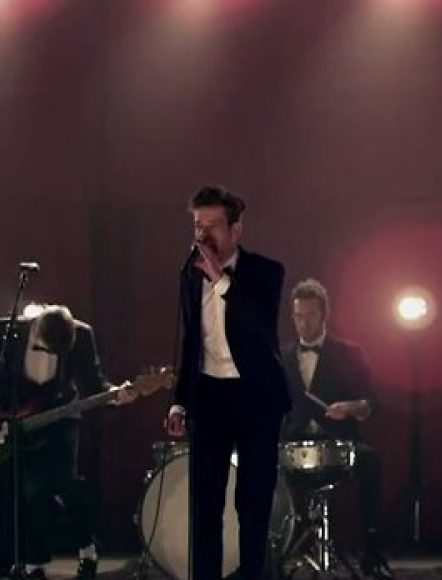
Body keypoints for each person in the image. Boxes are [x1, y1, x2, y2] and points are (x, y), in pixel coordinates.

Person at [165, 185, 290, 580]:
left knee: (252, 502)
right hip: (209, 395)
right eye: (197, 226)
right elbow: (191, 342)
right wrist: (179, 401)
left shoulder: (266, 271)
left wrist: (220, 280)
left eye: (213, 226)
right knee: (205, 502)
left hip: (256, 396)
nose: (203, 235)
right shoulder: (189, 277)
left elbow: (259, 327)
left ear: (236, 229)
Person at [0, 304, 136, 580]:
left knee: (65, 485)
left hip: (61, 417)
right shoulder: (7, 330)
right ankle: (34, 563)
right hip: (17, 418)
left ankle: (87, 549)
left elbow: (94, 383)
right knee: (32, 494)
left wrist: (117, 395)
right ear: (35, 329)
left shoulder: (82, 335)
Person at [280, 278, 392, 580]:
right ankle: (270, 555)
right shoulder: (282, 355)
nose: (304, 323)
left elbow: (371, 401)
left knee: (371, 461)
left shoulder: (348, 353)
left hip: (339, 443)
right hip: (293, 443)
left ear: (324, 315)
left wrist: (351, 407)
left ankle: (372, 552)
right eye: (298, 316)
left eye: (311, 315)